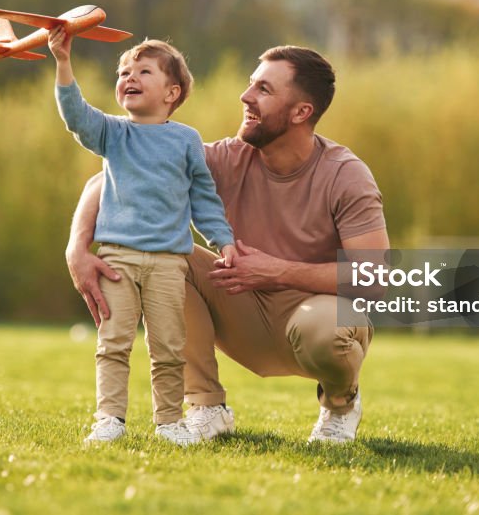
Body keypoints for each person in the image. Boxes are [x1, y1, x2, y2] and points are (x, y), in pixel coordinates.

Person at [67, 45, 388, 444]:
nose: (246, 96)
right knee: (169, 259)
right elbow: (108, 180)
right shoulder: (225, 158)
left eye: (264, 90)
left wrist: (277, 270)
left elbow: (375, 278)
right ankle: (206, 406)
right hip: (241, 306)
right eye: (251, 84)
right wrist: (77, 248)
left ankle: (340, 406)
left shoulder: (345, 175)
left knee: (324, 330)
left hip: (312, 318)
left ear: (300, 112)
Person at [50, 26, 237, 446]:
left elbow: (204, 200)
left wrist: (222, 241)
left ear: (172, 93)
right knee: (113, 343)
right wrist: (63, 62)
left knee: (169, 348)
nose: (128, 78)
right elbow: (76, 116)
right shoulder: (114, 134)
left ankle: (169, 422)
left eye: (143, 72)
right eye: (123, 72)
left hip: (170, 263)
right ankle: (109, 420)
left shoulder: (187, 141)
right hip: (117, 260)